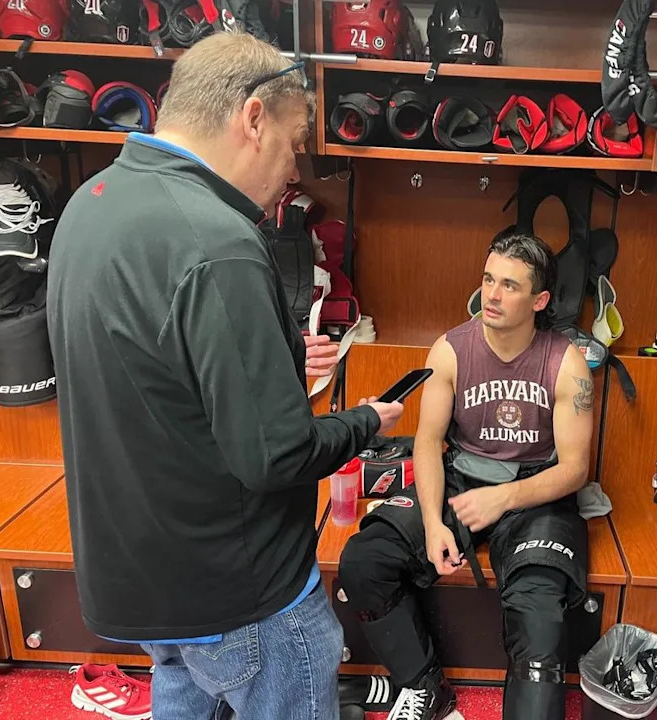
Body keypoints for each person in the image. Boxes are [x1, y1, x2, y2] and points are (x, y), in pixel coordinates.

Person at [46, 31, 403, 720]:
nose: (294, 169)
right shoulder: (219, 241)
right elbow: (277, 456)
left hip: (144, 578)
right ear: (253, 117)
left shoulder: (93, 201)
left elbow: (148, 373)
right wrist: (363, 422)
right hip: (240, 592)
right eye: (295, 143)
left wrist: (267, 362)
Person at [337, 231, 595, 720]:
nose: (492, 295)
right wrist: (433, 522)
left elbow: (575, 469)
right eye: (488, 279)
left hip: (534, 492)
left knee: (540, 618)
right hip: (460, 479)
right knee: (365, 559)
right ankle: (424, 685)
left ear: (540, 300)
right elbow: (429, 442)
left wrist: (504, 499)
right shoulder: (450, 350)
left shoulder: (567, 364)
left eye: (510, 286)